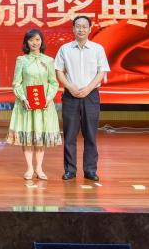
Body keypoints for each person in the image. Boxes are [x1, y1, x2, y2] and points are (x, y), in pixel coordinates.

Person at [54, 15, 111, 181]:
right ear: (73, 29)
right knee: (70, 135)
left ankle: (90, 170)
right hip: (70, 95)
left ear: (90, 29)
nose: (81, 29)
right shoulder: (65, 49)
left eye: (84, 26)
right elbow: (58, 71)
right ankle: (70, 170)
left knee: (90, 134)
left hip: (91, 95)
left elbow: (101, 72)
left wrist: (88, 88)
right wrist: (70, 86)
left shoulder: (97, 49)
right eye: (78, 26)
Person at [5, 28, 62, 180]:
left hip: (44, 105)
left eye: (37, 39)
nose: (34, 43)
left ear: (41, 42)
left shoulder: (49, 60)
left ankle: (39, 168)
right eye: (31, 40)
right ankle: (30, 168)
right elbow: (16, 83)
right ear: (26, 42)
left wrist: (48, 99)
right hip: (27, 105)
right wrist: (24, 99)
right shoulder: (21, 60)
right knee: (28, 136)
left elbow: (54, 83)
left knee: (40, 136)